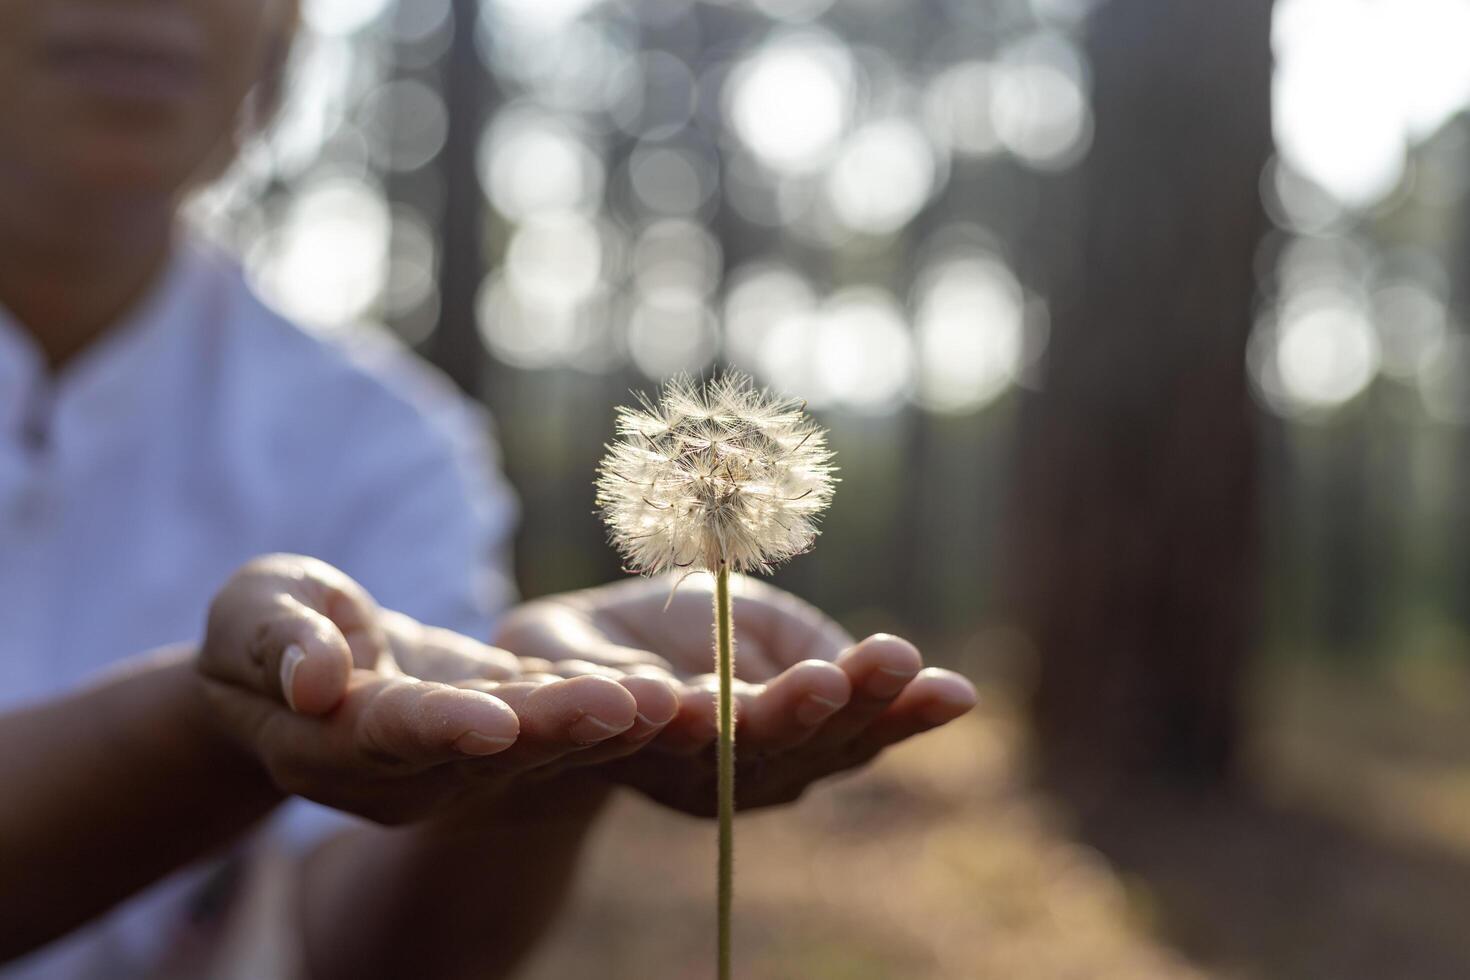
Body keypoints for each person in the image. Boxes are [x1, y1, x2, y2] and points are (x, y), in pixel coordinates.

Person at [0, 1, 978, 978]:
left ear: (283, 30)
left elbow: (356, 944)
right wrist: (204, 728)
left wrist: (535, 764)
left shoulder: (385, 442)